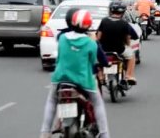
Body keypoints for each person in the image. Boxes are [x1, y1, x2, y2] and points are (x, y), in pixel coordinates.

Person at [40, 9, 110, 138]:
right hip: (83, 81)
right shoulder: (91, 43)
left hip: (60, 78)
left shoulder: (62, 38)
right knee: (98, 103)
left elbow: (60, 57)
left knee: (51, 101)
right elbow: (92, 63)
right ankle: (105, 134)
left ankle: (44, 132)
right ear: (88, 25)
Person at [97, 1, 137, 85]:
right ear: (123, 12)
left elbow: (98, 37)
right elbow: (127, 39)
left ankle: (101, 76)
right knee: (131, 56)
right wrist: (128, 46)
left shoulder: (104, 21)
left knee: (97, 60)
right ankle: (128, 76)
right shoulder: (124, 24)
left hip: (104, 49)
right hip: (120, 50)